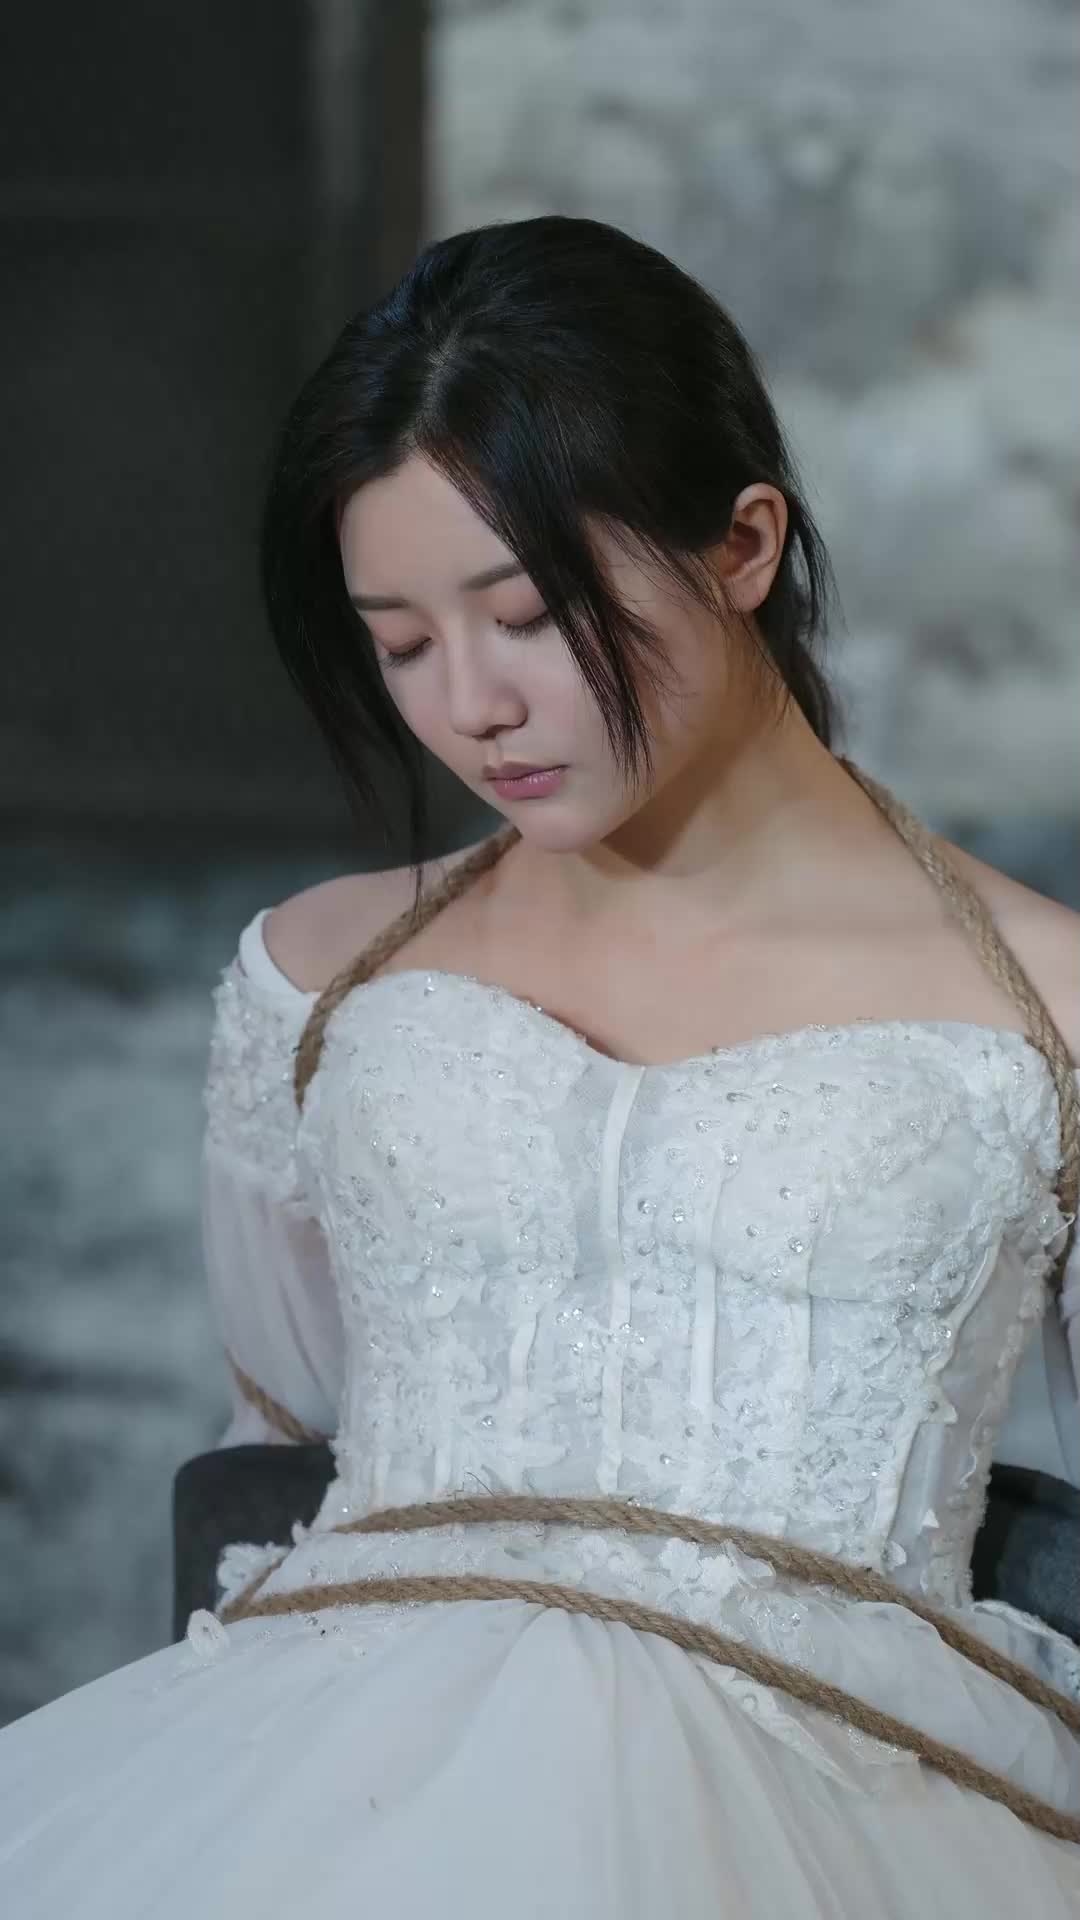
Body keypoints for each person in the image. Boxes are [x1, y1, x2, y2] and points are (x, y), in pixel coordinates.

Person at [2, 214, 1079, 1916]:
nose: (471, 706)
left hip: (853, 1810)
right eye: (401, 642)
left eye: (526, 615)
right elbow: (270, 1443)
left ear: (742, 545)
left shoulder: (1046, 1008)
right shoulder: (326, 978)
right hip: (317, 1792)